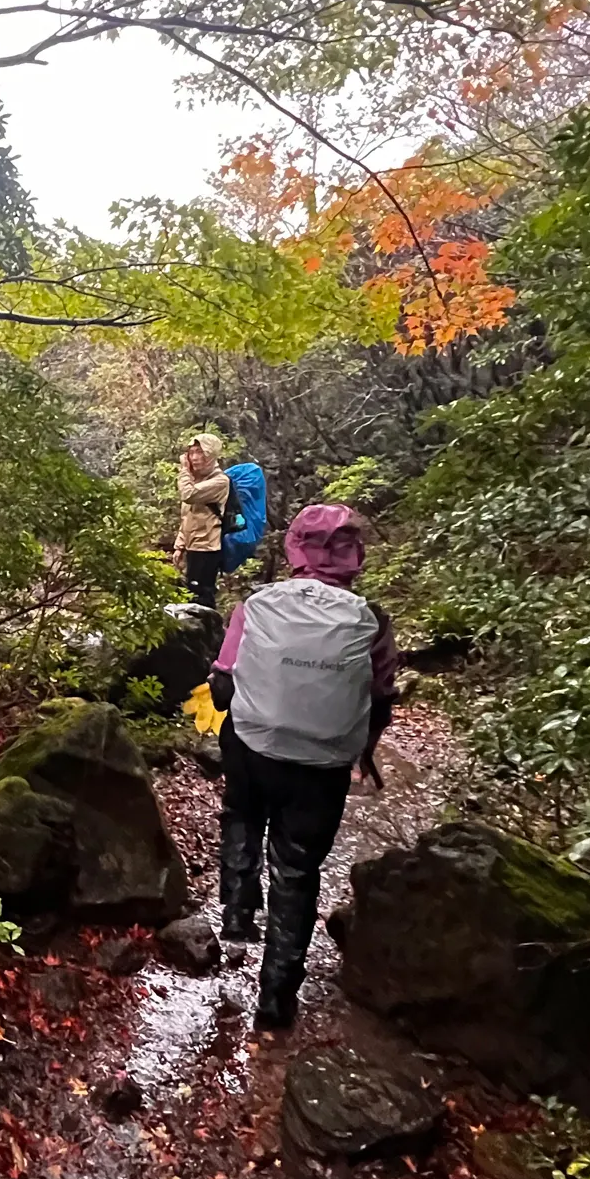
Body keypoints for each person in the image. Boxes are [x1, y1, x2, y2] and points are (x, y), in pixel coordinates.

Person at [207, 503, 398, 1030]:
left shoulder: (257, 605)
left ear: (294, 548)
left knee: (242, 815)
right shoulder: (371, 620)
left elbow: (224, 681)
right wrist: (367, 752)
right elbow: (381, 696)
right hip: (322, 765)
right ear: (353, 555)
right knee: (297, 869)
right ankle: (275, 1001)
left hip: (251, 746)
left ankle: (238, 918)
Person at [172, 433, 230, 608]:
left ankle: (209, 632)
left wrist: (184, 471)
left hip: (207, 548)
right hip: (193, 546)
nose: (195, 458)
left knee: (201, 597)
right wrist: (180, 545)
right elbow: (188, 516)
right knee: (190, 595)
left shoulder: (220, 481)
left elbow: (188, 495)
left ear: (211, 454)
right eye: (191, 453)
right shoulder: (196, 480)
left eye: (200, 452)